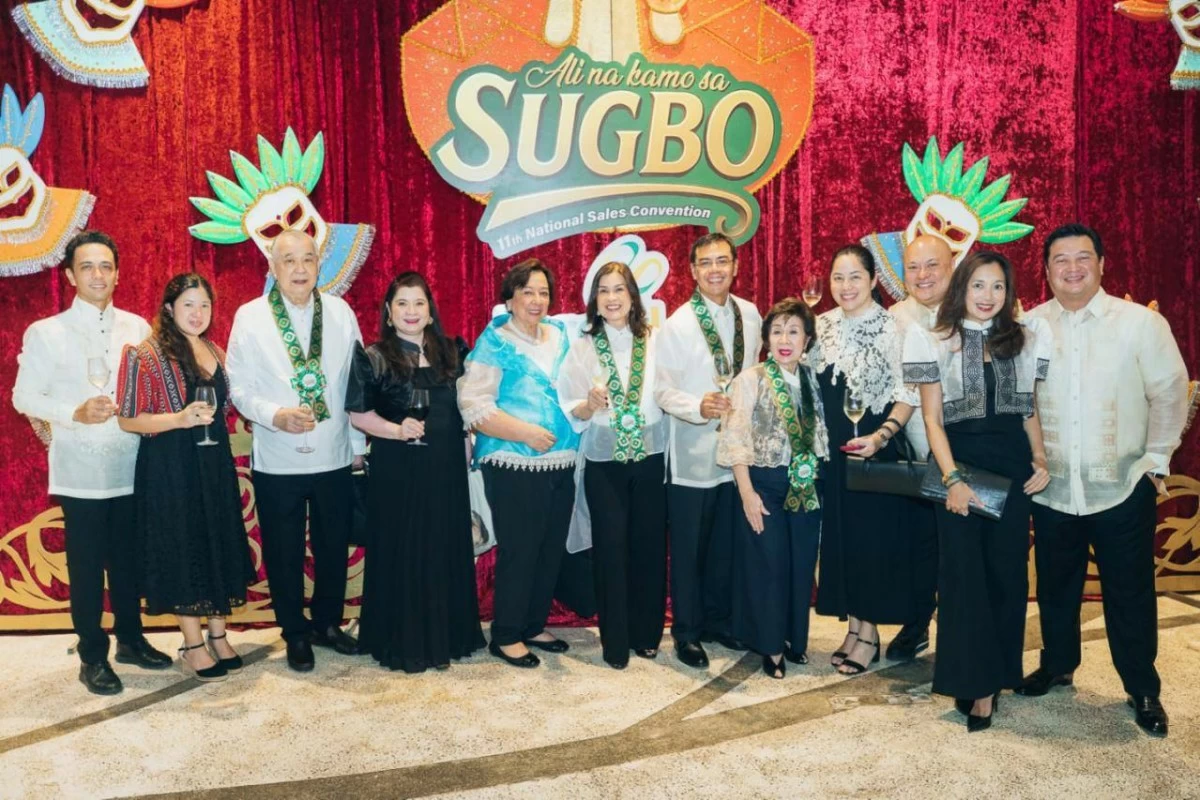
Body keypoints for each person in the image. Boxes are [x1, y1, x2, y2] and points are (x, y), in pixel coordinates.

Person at [1019, 224, 1189, 738]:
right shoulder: (1029, 327)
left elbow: (1170, 390)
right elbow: (1020, 400)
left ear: (1101, 264)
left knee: (1129, 592)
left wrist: (1155, 461)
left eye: (1082, 257)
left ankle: (1141, 687)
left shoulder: (1140, 324)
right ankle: (1057, 665)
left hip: (1121, 484)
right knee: (1056, 586)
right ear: (1046, 270)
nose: (1072, 268)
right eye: (1060, 260)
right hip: (1052, 487)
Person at [12, 230, 172, 695]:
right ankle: (92, 655)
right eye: (87, 267)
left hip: (131, 464)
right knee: (85, 568)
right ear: (70, 276)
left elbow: (150, 389)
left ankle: (131, 640)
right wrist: (73, 412)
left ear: (118, 274)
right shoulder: (46, 332)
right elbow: (24, 396)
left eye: (105, 266)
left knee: (128, 561)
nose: (97, 274)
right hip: (80, 469)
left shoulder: (137, 328)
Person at [903, 251, 1052, 732]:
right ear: (962, 287)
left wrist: (1041, 459)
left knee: (1006, 576)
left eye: (998, 287)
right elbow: (932, 419)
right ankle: (975, 685)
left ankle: (998, 675)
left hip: (1012, 469)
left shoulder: (1025, 339)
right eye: (979, 285)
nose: (988, 296)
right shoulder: (933, 339)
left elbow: (1028, 409)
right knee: (963, 580)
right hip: (959, 468)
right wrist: (952, 479)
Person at [225, 229, 365, 672]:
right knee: (283, 551)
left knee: (332, 545)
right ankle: (294, 632)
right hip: (277, 456)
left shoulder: (340, 312)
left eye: (308, 259)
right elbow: (238, 387)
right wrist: (274, 414)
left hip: (334, 452)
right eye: (289, 260)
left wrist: (358, 446)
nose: (300, 269)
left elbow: (357, 382)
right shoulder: (250, 317)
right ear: (272, 267)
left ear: (319, 264)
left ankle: (327, 623)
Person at [116, 273, 254, 682]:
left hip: (214, 464)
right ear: (169, 308)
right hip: (170, 467)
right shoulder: (145, 354)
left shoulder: (215, 350)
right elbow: (128, 419)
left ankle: (218, 634)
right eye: (188, 304)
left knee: (217, 541)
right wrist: (178, 419)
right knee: (184, 547)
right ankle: (192, 644)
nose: (197, 313)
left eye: (204, 305)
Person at [346, 272, 486, 672]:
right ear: (389, 313)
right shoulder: (373, 356)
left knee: (444, 543)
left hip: (447, 466)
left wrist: (467, 446)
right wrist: (396, 430)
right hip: (398, 468)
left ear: (430, 311)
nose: (411, 311)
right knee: (403, 548)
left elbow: (466, 407)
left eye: (419, 303)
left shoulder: (453, 352)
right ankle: (404, 640)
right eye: (402, 303)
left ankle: (449, 636)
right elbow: (358, 416)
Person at [458, 259, 580, 669]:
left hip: (562, 458)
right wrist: (524, 433)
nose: (536, 300)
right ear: (509, 299)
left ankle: (532, 624)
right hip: (513, 461)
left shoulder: (560, 336)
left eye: (543, 292)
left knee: (549, 547)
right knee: (521, 549)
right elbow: (473, 405)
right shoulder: (495, 342)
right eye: (527, 291)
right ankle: (506, 634)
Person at [811, 245, 927, 675]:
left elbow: (909, 393)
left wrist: (881, 437)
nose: (846, 286)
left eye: (855, 277)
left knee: (869, 544)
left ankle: (869, 635)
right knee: (840, 540)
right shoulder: (820, 326)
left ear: (874, 280)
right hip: (832, 454)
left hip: (874, 451)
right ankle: (855, 628)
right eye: (838, 277)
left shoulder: (897, 328)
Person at [656, 232, 763, 669]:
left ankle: (719, 621)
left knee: (725, 545)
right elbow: (662, 390)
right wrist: (696, 406)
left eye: (722, 261)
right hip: (693, 454)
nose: (715, 269)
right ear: (693, 271)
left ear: (736, 266)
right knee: (689, 549)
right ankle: (686, 631)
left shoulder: (751, 314)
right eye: (705, 263)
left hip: (737, 454)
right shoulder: (678, 324)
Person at [557, 261, 667, 669]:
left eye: (619, 289)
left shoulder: (656, 340)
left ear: (633, 296)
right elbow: (570, 403)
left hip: (650, 456)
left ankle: (647, 634)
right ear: (594, 300)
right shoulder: (584, 346)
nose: (612, 297)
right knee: (610, 548)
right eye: (603, 290)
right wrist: (588, 404)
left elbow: (669, 391)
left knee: (649, 546)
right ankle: (615, 640)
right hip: (604, 461)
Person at [717, 298, 827, 678]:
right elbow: (734, 438)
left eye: (794, 331)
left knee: (800, 565)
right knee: (770, 566)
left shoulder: (813, 380)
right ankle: (770, 646)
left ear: (807, 339)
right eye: (777, 331)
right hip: (764, 486)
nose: (785, 339)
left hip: (806, 486)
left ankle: (795, 639)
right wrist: (747, 494)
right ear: (765, 339)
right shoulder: (750, 380)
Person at [883, 234, 955, 661]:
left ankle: (963, 634)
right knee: (918, 548)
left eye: (933, 265)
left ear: (952, 266)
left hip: (967, 454)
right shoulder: (893, 318)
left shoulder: (975, 308)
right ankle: (916, 624)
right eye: (913, 267)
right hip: (913, 455)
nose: (922, 275)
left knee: (961, 551)